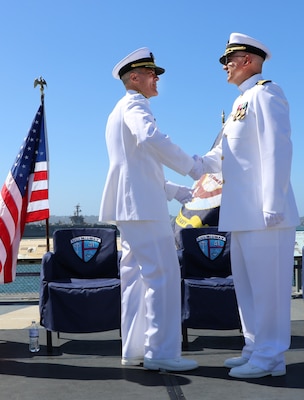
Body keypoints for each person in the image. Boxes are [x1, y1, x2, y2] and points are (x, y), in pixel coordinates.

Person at [197, 33, 299, 378]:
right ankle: (255, 347)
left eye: (230, 58)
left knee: (268, 289)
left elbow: (277, 149)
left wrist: (273, 205)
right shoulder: (242, 102)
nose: (225, 65)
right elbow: (221, 157)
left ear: (250, 61)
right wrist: (189, 164)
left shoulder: (267, 93)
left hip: (264, 214)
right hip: (241, 214)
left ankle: (271, 357)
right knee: (248, 287)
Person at [99, 47, 203, 371]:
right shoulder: (134, 104)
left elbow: (140, 166)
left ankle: (133, 350)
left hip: (131, 207)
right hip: (143, 208)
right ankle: (162, 353)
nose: (156, 78)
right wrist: (192, 166)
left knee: (134, 278)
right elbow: (150, 139)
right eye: (151, 73)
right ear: (134, 77)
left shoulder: (118, 110)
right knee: (163, 275)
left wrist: (175, 190)